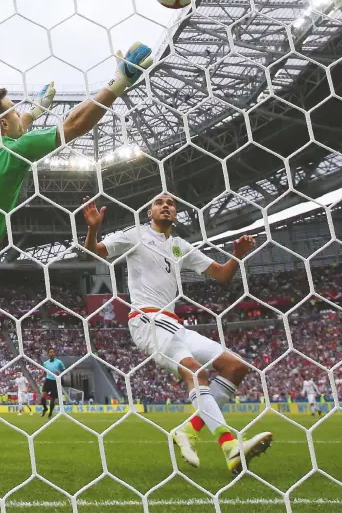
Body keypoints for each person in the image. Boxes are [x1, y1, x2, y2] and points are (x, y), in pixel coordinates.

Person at [0, 41, 153, 334]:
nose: (20, 115)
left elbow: (12, 130)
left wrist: (36, 111)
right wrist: (120, 82)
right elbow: (74, 125)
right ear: (2, 125)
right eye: (14, 112)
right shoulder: (10, 154)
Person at [83, 193, 272, 474]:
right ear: (150, 212)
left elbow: (221, 274)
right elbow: (94, 252)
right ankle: (230, 445)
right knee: (197, 373)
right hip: (146, 319)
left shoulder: (180, 245)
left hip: (174, 324)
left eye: (171, 202)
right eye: (160, 202)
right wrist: (93, 227)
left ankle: (187, 430)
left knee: (236, 367)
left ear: (176, 212)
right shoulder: (136, 235)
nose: (166, 205)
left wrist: (237, 256)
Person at [41, 348, 65, 419]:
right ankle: (45, 408)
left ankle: (50, 414)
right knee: (43, 397)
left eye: (53, 352)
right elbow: (45, 372)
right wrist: (41, 376)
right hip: (48, 380)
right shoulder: (45, 363)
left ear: (55, 354)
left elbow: (64, 371)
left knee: (52, 399)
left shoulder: (59, 362)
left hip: (55, 381)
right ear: (48, 354)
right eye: (50, 352)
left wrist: (59, 373)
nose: (52, 353)